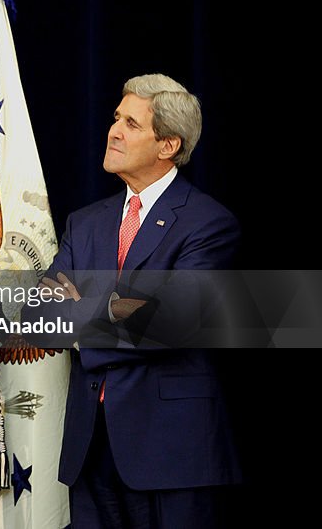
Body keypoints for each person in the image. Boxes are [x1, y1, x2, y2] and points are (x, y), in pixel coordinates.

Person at [27, 74, 241, 528]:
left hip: (171, 452)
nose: (114, 131)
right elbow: (40, 314)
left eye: (131, 123)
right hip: (89, 448)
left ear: (168, 145)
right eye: (115, 118)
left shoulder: (208, 223)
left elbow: (169, 323)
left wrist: (81, 310)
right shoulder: (84, 223)